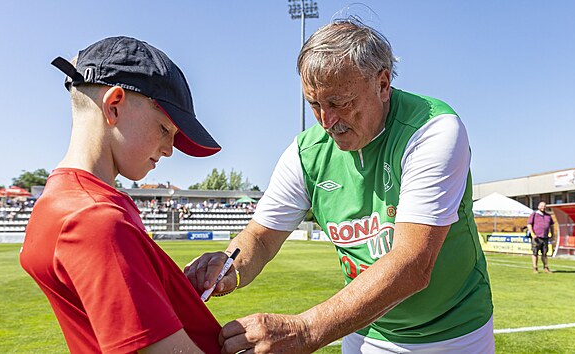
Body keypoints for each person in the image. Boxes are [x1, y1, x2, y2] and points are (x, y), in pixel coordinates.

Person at [186, 19, 494, 353]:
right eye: (314, 104)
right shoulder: (306, 152)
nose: (326, 121)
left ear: (383, 83)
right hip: (366, 331)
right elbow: (260, 237)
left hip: (456, 335)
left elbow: (413, 264)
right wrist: (229, 267)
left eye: (340, 102)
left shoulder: (433, 130)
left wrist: (306, 330)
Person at [20, 36, 223, 353]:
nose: (169, 150)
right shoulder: (94, 220)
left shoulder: (71, 200)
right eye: (164, 129)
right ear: (113, 106)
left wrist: (169, 290)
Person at [527, 201, 554, 273]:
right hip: (537, 237)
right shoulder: (534, 214)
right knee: (535, 253)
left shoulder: (548, 216)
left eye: (544, 206)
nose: (543, 207)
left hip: (545, 237)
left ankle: (545, 267)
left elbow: (551, 226)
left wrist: (552, 234)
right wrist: (532, 234)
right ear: (538, 207)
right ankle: (535, 268)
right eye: (542, 206)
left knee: (545, 254)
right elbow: (529, 224)